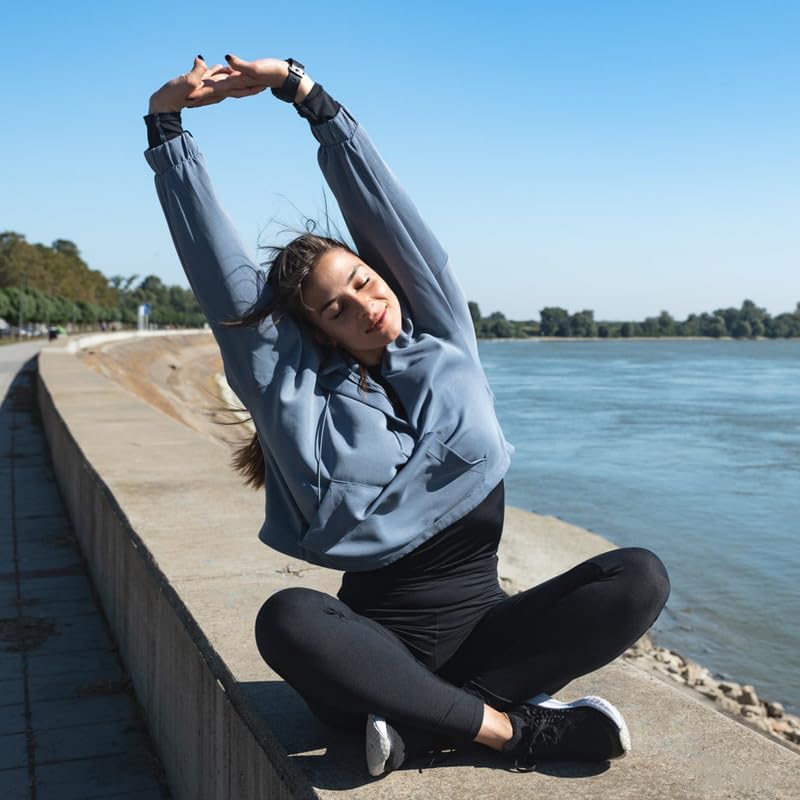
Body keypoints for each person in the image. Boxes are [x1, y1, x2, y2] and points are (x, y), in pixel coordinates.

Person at [145, 55, 670, 776]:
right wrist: (167, 130)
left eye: (364, 282)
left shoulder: (444, 337)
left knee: (638, 575)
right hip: (371, 658)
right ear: (317, 332)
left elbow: (388, 216)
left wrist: (304, 93)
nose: (365, 305)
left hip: (490, 639)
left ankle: (422, 729)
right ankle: (514, 732)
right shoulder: (291, 394)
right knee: (288, 617)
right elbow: (221, 277)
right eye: (337, 309)